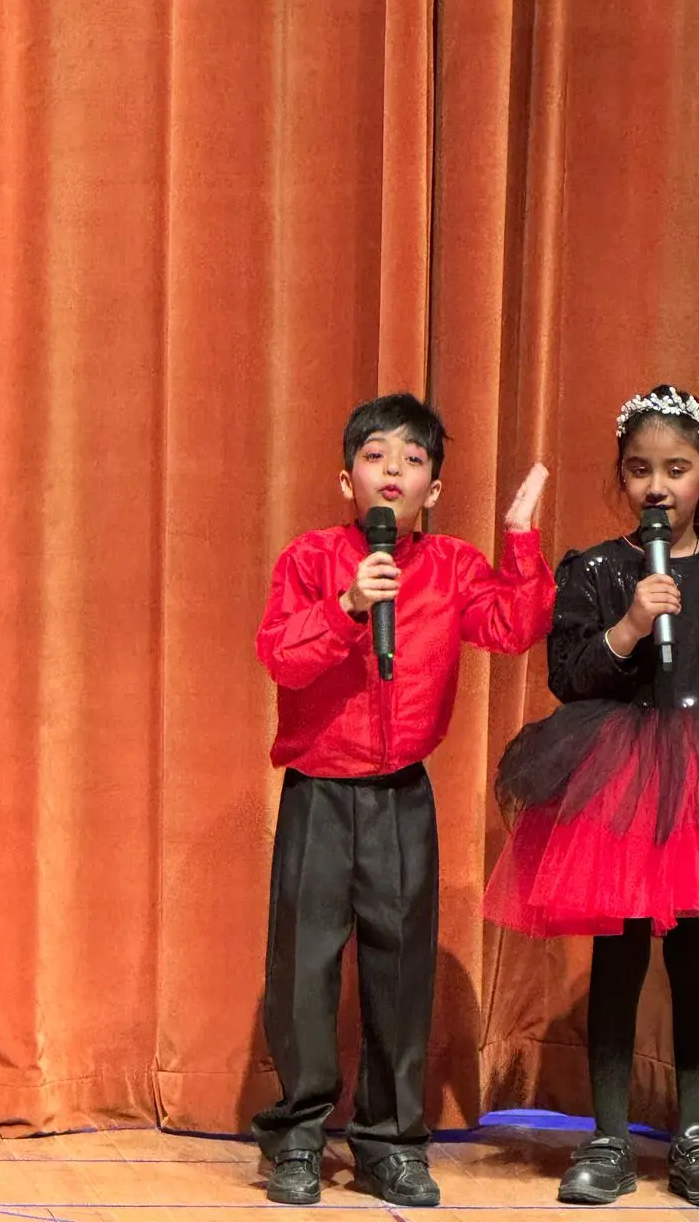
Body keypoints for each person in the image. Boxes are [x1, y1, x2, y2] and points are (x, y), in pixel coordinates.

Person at [484, 385, 699, 1209]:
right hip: (619, 778)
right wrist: (631, 626)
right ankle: (608, 1138)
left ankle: (695, 1135)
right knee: (618, 953)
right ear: (622, 475)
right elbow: (570, 677)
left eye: (677, 469)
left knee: (696, 955)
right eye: (640, 469)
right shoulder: (596, 568)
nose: (658, 486)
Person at [253, 393, 554, 1207]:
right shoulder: (312, 558)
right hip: (320, 791)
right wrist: (349, 606)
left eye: (413, 459)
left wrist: (520, 538)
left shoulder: (452, 566)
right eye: (376, 455)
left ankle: (389, 1142)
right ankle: (297, 1137)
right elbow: (281, 656)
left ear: (435, 488)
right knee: (304, 971)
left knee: (400, 973)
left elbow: (514, 626)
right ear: (345, 478)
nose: (393, 470)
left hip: (401, 796)